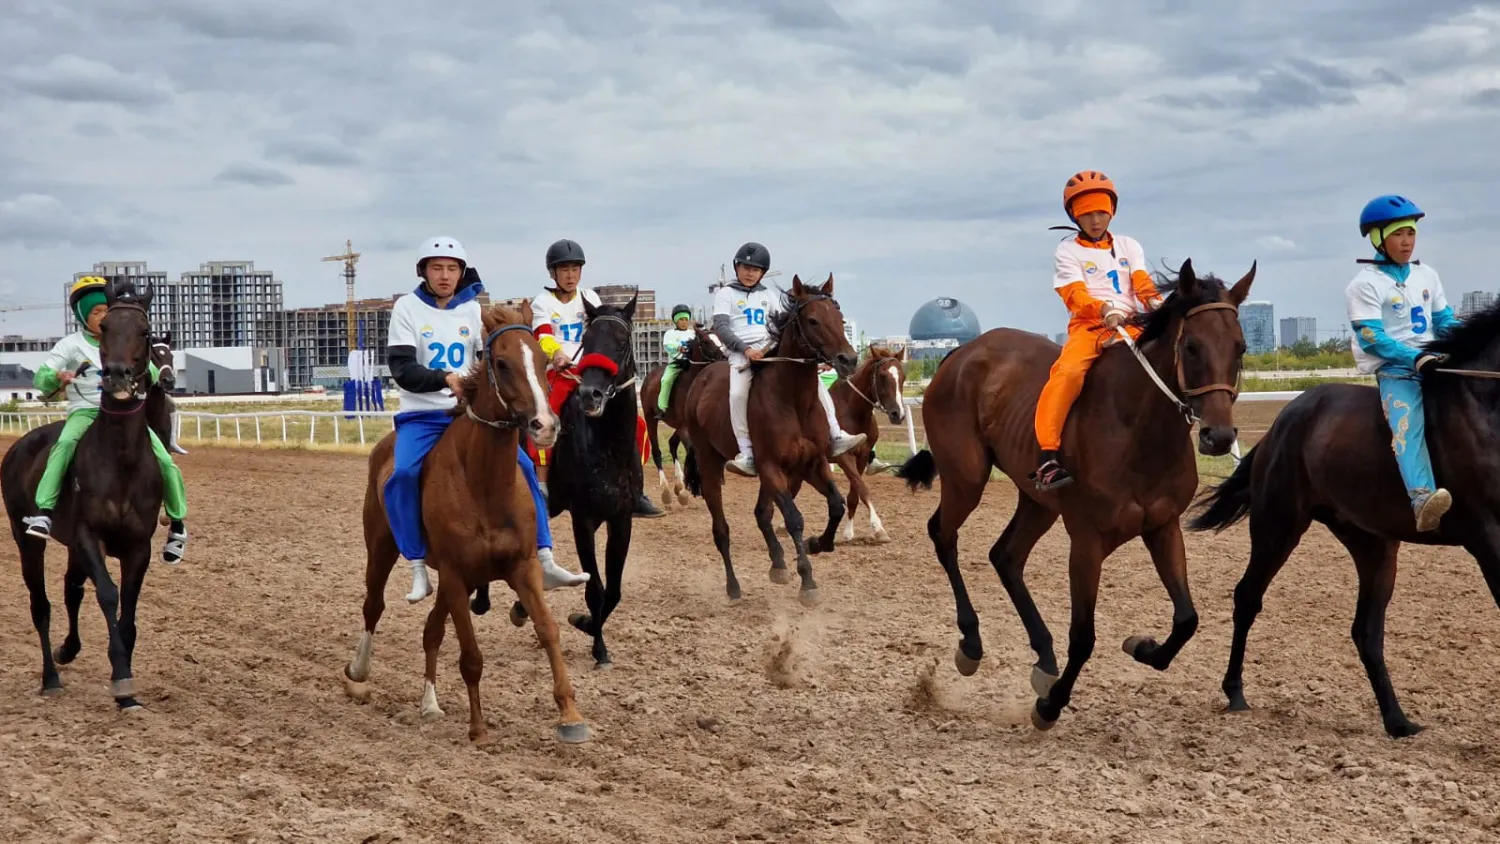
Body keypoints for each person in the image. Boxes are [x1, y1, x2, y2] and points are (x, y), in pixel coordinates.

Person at [385, 236, 589, 604]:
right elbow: (401, 368)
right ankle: (416, 564)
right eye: (437, 268)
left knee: (525, 467)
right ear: (424, 272)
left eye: (452, 269)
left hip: (468, 415)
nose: (445, 276)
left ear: (461, 273)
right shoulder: (406, 309)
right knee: (402, 474)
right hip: (422, 415)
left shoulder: (471, 311)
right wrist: (444, 378)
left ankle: (545, 557)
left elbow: (492, 364)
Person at [21, 277, 190, 564]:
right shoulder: (70, 345)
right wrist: (56, 377)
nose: (102, 317)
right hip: (85, 412)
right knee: (63, 445)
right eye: (95, 312)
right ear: (82, 317)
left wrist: (162, 373)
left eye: (105, 311)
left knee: (165, 461)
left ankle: (177, 525)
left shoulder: (125, 341)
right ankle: (44, 513)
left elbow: (150, 370)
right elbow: (42, 376)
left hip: (126, 417)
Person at [1031, 170, 1163, 490]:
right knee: (1068, 374)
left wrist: (1160, 308)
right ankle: (1047, 458)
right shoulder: (1067, 251)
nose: (1095, 220)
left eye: (1102, 212)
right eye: (1087, 213)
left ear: (1111, 211)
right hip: (1090, 327)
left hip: (1133, 324)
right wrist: (1105, 311)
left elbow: (1143, 285)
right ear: (1075, 216)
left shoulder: (1129, 245)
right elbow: (1074, 295)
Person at [529, 238, 665, 518]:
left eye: (575, 269)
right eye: (564, 269)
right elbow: (542, 336)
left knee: (636, 425)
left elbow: (603, 332)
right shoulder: (542, 303)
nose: (570, 275)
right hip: (561, 373)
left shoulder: (590, 297)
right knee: (547, 420)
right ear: (552, 273)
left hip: (594, 373)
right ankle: (543, 489)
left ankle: (634, 490)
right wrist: (556, 355)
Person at [1347, 195, 1458, 532]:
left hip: (1436, 364)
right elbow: (1371, 338)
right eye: (1398, 234)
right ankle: (1421, 498)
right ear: (1378, 239)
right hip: (1398, 372)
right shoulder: (1364, 284)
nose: (1407, 241)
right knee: (1407, 427)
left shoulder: (1428, 275)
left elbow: (1445, 321)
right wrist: (1414, 357)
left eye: (1411, 233)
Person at [711, 241, 866, 477]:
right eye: (745, 267)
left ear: (762, 272)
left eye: (755, 269)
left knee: (816, 386)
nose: (749, 273)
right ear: (736, 268)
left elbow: (784, 327)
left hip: (770, 348)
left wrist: (808, 356)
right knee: (737, 394)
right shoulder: (726, 294)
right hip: (740, 354)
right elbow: (722, 327)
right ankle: (746, 452)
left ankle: (835, 435)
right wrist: (745, 349)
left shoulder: (769, 295)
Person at [656, 304, 696, 413]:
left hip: (692, 364)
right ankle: (662, 407)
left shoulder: (693, 334)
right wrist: (679, 349)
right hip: (676, 364)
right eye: (681, 319)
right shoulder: (670, 334)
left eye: (686, 319)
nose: (684, 322)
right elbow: (668, 346)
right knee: (666, 380)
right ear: (675, 321)